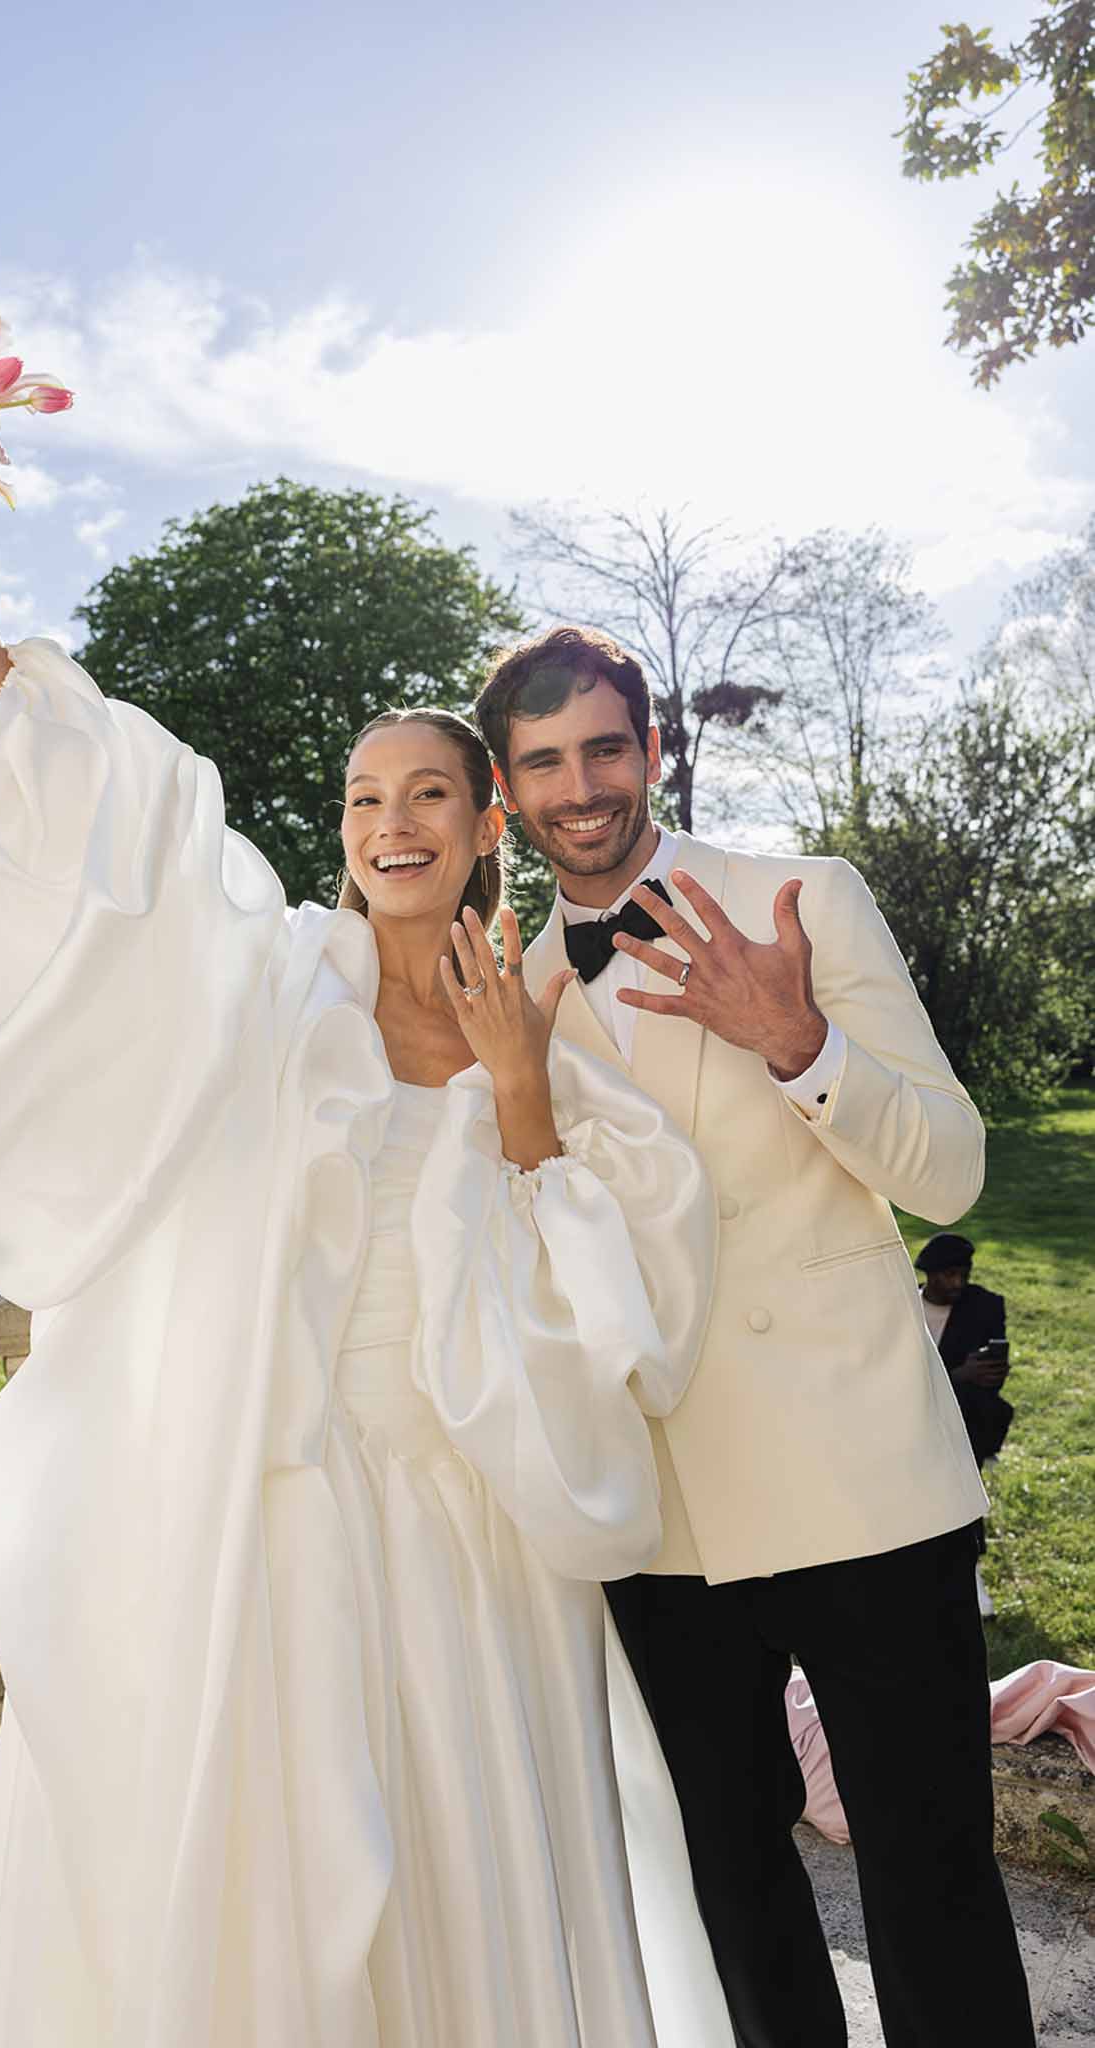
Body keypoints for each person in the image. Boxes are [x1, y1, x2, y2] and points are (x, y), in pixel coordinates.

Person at [0, 450, 736, 2048]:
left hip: (480, 1533)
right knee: (295, 1893)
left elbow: (626, 1303)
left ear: (485, 830)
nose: (389, 821)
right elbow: (118, 858)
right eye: (361, 796)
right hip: (291, 1515)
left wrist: (520, 1100)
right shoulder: (272, 991)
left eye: (429, 794)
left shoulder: (548, 1027)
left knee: (479, 1875)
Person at [483, 624, 1035, 2048]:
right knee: (733, 1884)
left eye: (605, 747)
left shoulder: (803, 896)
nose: (581, 785)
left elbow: (952, 1175)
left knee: (928, 1877)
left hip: (859, 1475)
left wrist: (801, 1047)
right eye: (542, 762)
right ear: (506, 791)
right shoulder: (513, 994)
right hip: (658, 1510)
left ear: (652, 752)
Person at [916, 1230, 1013, 1616]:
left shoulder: (984, 1306)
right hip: (905, 1420)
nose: (957, 1283)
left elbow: (990, 1381)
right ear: (929, 1274)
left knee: (963, 1504)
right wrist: (959, 1374)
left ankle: (970, 1578)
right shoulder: (903, 1306)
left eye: (963, 1273)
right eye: (948, 1275)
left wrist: (986, 1373)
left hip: (964, 1424)